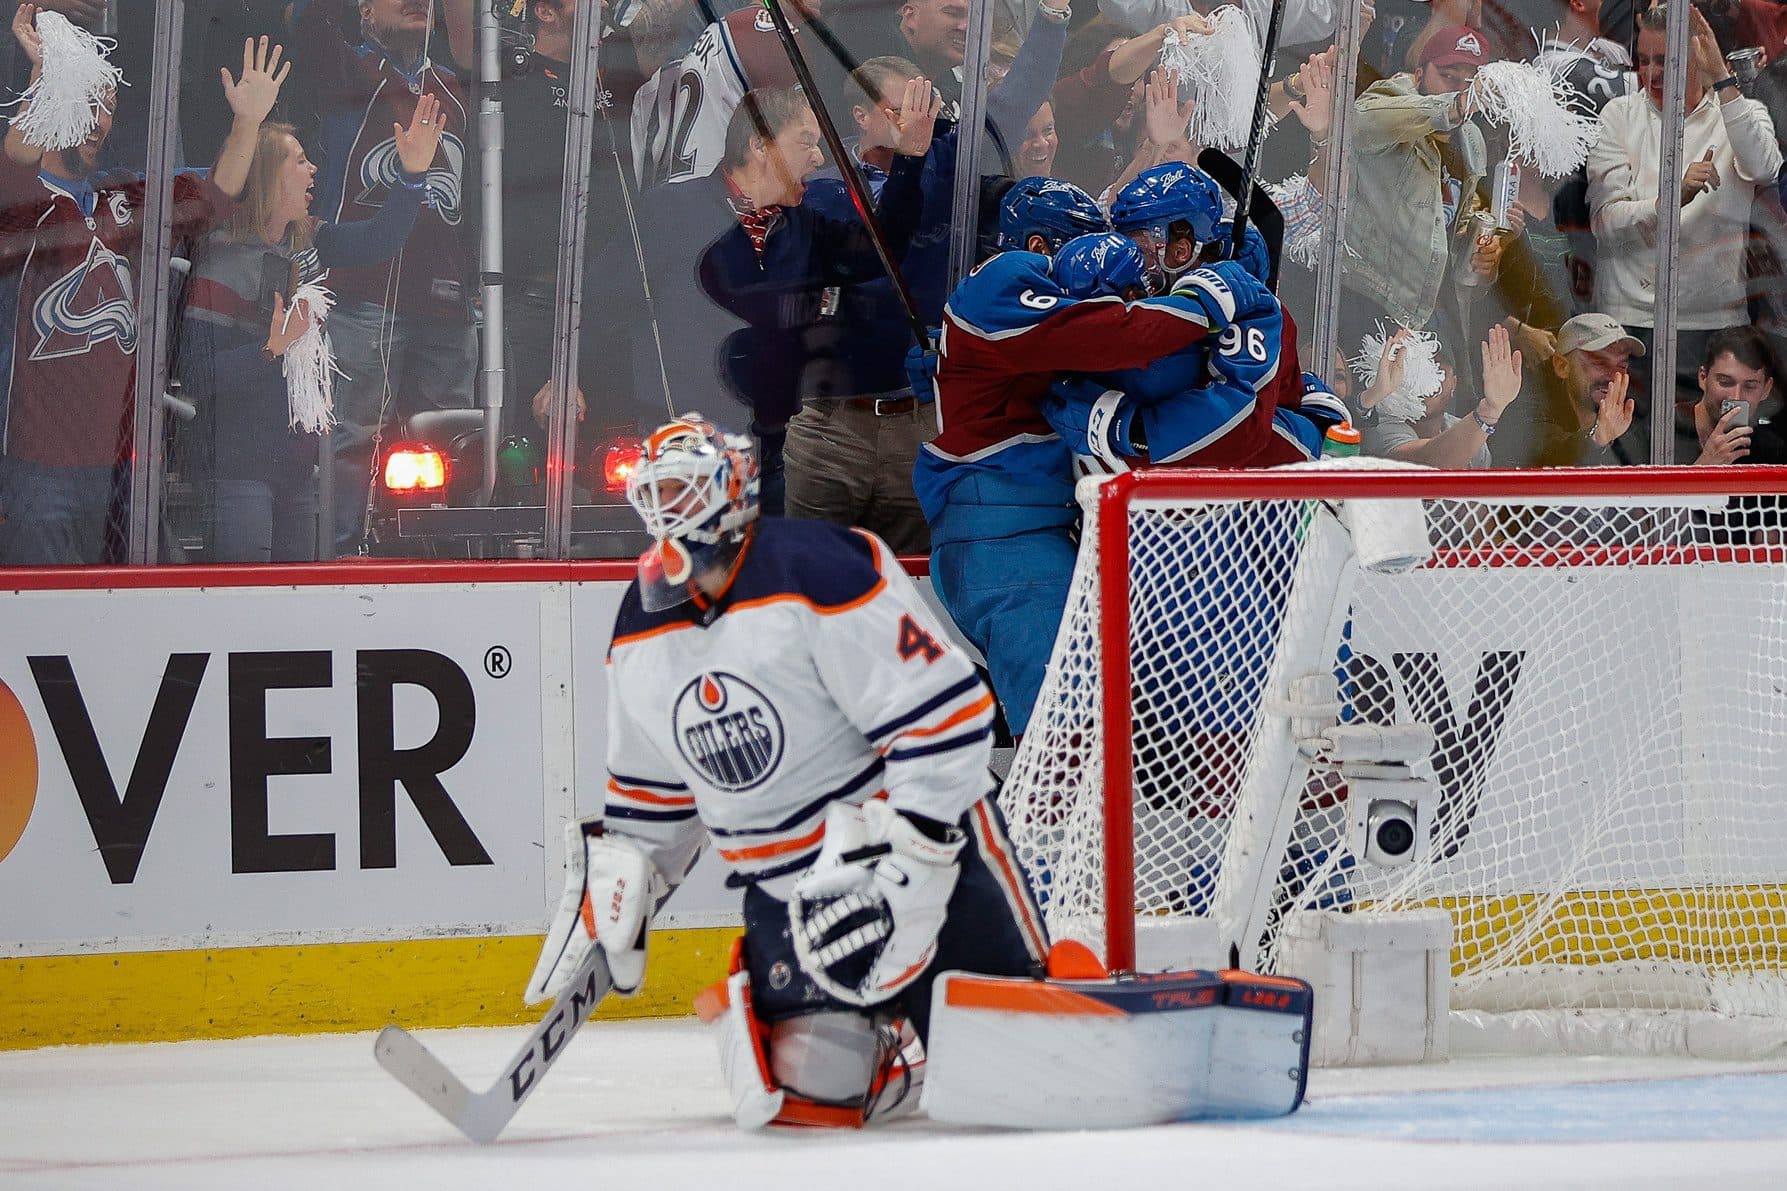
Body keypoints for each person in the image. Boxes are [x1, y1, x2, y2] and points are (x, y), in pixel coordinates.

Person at [524, 415, 1046, 1130]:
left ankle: (976, 1005)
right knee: (811, 1093)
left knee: (1016, 1082)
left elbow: (945, 713)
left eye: (686, 486)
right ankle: (891, 1048)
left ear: (731, 487)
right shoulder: (641, 619)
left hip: (924, 853)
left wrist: (913, 853)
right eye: (661, 489)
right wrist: (628, 874)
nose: (672, 506)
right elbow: (653, 787)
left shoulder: (820, 566)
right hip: (786, 887)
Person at [914, 176, 1274, 737]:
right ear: (1039, 248)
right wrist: (1209, 300)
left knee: (1104, 732)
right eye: (1084, 246)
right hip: (1000, 541)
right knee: (1062, 739)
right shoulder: (1006, 280)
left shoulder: (1025, 317)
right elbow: (1116, 336)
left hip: (1056, 528)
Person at [581, 84, 938, 516]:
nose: (819, 158)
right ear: (759, 145)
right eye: (806, 142)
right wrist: (566, 379)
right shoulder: (670, 210)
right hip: (690, 453)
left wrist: (910, 163)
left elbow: (883, 252)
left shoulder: (805, 228)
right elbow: (603, 303)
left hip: (786, 457)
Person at [0, 12, 279, 565]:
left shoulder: (120, 198)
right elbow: (17, 159)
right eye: (86, 103)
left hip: (118, 465)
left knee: (123, 619)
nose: (99, 121)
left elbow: (214, 197)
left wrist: (248, 122)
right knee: (43, 615)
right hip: (36, 467)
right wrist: (46, 79)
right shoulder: (21, 200)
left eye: (106, 107)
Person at [178, 94, 445, 563]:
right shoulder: (220, 259)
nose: (313, 170)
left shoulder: (309, 240)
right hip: (236, 468)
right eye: (299, 161)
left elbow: (380, 240)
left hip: (299, 467)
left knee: (299, 601)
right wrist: (270, 349)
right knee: (246, 602)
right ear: (266, 177)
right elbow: (197, 375)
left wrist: (412, 175)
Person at [287, 0, 478, 553]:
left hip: (446, 301)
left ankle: (450, 558)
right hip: (360, 292)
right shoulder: (349, 70)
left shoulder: (456, 86)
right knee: (352, 437)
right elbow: (307, 21)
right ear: (365, 12)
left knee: (454, 438)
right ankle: (341, 560)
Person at [1587, 3, 1782, 456]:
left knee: (1711, 454)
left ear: (1699, 61)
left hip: (1712, 324)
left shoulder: (1740, 112)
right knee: (1633, 455)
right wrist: (1671, 199)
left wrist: (1724, 81)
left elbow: (1765, 166)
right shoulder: (1619, 114)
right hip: (1631, 319)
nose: (1653, 73)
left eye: (1668, 61)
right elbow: (1606, 225)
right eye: (1644, 60)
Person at [1490, 311, 1641, 466]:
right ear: (1561, 366)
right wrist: (1597, 441)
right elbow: (1543, 476)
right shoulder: (1530, 420)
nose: (1612, 376)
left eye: (1621, 365)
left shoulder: (1628, 430)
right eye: (1599, 363)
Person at [1362, 324, 1524, 468]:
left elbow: (1479, 499)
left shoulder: (1469, 429)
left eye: (1439, 370)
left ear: (1454, 384)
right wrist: (1488, 412)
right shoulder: (1379, 425)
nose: (1428, 381)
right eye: (1417, 371)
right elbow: (1425, 463)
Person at [1679, 325, 1786, 465]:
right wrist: (1705, 464)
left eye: (1750, 386)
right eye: (1725, 382)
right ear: (1703, 378)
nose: (1736, 397)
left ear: (1766, 389)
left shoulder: (1773, 451)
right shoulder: (1662, 429)